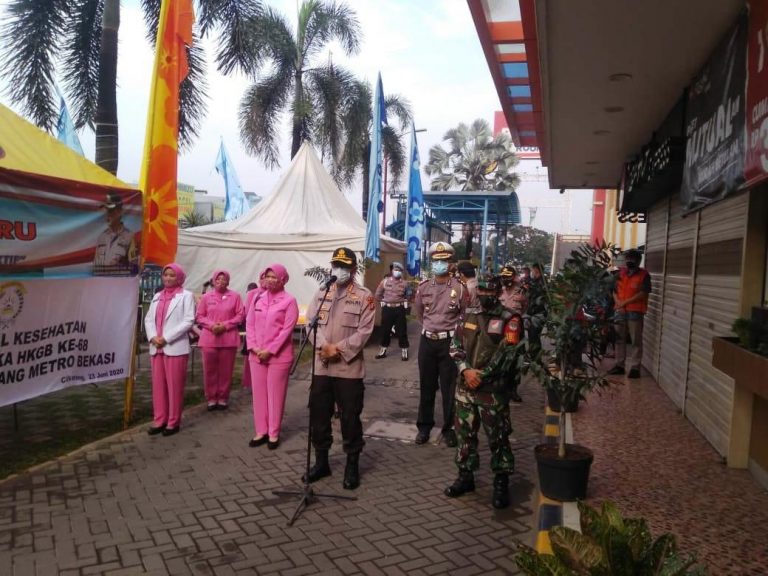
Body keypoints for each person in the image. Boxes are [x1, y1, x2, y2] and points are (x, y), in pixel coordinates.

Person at [445, 275, 524, 509]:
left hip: (492, 391)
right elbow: (455, 346)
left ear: (499, 292)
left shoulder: (510, 319)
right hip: (465, 389)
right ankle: (465, 477)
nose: (485, 296)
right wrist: (465, 370)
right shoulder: (469, 315)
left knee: (498, 438)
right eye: (482, 292)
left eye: (491, 292)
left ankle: (501, 483)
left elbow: (508, 353)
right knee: (465, 437)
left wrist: (483, 375)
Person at [304, 247, 375, 490]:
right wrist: (324, 346)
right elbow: (310, 324)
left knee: (350, 418)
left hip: (348, 370)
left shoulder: (365, 296)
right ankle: (321, 463)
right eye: (336, 265)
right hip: (322, 368)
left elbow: (365, 331)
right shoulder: (322, 292)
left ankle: (352, 465)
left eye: (345, 266)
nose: (339, 270)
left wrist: (339, 349)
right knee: (319, 416)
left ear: (354, 269)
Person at [413, 242, 467, 447]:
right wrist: (430, 328)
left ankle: (449, 429)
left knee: (449, 388)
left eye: (443, 261)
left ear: (450, 263)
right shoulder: (423, 287)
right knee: (426, 387)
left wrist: (453, 336)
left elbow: (464, 316)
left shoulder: (459, 289)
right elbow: (419, 313)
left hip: (449, 343)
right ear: (432, 262)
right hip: (427, 342)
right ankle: (424, 427)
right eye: (436, 261)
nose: (439, 264)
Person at [245, 265, 299, 450]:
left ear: (283, 279)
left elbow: (287, 329)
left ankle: (274, 433)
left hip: (278, 356)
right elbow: (249, 323)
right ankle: (261, 431)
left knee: (275, 395)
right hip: (256, 354)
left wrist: (270, 349)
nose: (269, 280)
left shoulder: (289, 301)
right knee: (259, 395)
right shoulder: (257, 298)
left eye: (274, 277)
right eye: (267, 277)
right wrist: (253, 346)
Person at [144, 263, 196, 436]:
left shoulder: (186, 296)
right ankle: (159, 420)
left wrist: (166, 338)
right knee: (158, 386)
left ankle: (173, 422)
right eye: (165, 275)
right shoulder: (157, 296)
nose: (167, 278)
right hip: (156, 346)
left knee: (174, 387)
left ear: (179, 278)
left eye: (172, 275)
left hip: (174, 346)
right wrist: (152, 337)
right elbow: (148, 319)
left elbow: (188, 321)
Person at [196, 270, 245, 411]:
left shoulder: (235, 296)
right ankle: (211, 398)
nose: (221, 282)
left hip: (228, 338)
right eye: (218, 279)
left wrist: (225, 325)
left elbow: (240, 315)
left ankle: (223, 397)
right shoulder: (206, 297)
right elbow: (199, 316)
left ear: (228, 281)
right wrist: (212, 326)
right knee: (209, 370)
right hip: (209, 339)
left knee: (226, 370)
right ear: (213, 281)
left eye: (224, 279)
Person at [608, 249, 651, 379]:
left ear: (638, 260)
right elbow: (613, 290)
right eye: (627, 258)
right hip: (619, 311)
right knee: (619, 339)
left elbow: (643, 293)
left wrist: (625, 302)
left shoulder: (644, 275)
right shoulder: (620, 273)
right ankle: (619, 366)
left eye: (632, 259)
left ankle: (635, 368)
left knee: (635, 341)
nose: (629, 261)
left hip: (635, 312)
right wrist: (618, 303)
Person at [498, 265, 528, 403]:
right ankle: (500, 387)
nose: (506, 280)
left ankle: (513, 389)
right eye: (504, 277)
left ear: (514, 277)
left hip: (517, 331)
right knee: (500, 358)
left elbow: (526, 307)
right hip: (500, 330)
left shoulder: (521, 292)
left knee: (516, 361)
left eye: (509, 277)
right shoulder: (498, 291)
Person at [93, 193, 138, 276]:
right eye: (106, 211)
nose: (107, 215)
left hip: (118, 285)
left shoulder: (129, 236)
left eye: (110, 211)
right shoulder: (102, 236)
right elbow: (95, 268)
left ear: (120, 212)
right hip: (100, 284)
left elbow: (134, 269)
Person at [374, 261, 411, 361]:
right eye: (395, 270)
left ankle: (404, 351)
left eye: (399, 270)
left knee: (402, 330)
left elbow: (408, 295)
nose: (397, 272)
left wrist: (405, 302)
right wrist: (382, 301)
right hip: (387, 309)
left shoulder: (405, 283)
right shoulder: (385, 281)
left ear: (401, 272)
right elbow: (377, 294)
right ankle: (383, 350)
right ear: (392, 271)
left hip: (399, 309)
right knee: (385, 330)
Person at [240, 281, 260, 389]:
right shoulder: (253, 297)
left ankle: (248, 382)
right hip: (251, 334)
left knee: (250, 359)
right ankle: (248, 382)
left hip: (252, 334)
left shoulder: (254, 297)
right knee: (249, 359)